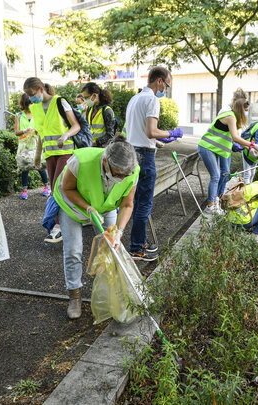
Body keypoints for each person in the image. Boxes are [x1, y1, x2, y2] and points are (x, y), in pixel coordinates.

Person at [53, 136, 139, 319]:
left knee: (111, 249)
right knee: (74, 251)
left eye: (126, 175)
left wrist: (119, 232)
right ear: (105, 162)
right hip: (73, 207)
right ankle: (74, 295)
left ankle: (110, 295)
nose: (122, 178)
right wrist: (87, 208)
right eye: (118, 174)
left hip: (104, 207)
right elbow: (66, 188)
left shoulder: (133, 171)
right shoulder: (81, 161)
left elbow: (127, 205)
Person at [125, 66, 183, 261]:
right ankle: (137, 248)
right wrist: (171, 133)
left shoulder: (135, 98)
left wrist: (157, 141)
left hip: (132, 153)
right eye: (166, 85)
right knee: (144, 203)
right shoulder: (152, 100)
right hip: (145, 156)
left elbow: (136, 130)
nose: (165, 89)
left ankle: (137, 242)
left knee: (132, 201)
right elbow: (151, 130)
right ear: (159, 81)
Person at [23, 77, 80, 243]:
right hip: (50, 155)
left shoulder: (60, 102)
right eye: (28, 95)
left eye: (32, 94)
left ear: (41, 89)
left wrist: (66, 134)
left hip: (66, 151)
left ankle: (58, 227)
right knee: (61, 188)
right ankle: (69, 219)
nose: (31, 98)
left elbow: (76, 125)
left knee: (57, 188)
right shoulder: (35, 108)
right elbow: (42, 133)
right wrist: (37, 155)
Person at [198, 98, 258, 215]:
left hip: (214, 149)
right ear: (240, 109)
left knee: (221, 174)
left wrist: (249, 148)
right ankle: (210, 205)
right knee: (215, 175)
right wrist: (253, 145)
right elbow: (235, 137)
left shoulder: (234, 118)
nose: (247, 113)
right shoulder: (230, 117)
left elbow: (234, 139)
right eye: (246, 110)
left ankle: (216, 200)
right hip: (206, 147)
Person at [14, 93, 50, 200]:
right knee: (24, 168)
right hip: (24, 146)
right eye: (29, 103)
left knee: (39, 165)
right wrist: (24, 131)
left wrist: (37, 131)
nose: (31, 105)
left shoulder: (37, 113)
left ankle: (46, 186)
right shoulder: (19, 115)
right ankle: (24, 190)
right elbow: (16, 132)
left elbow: (43, 128)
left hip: (36, 145)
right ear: (24, 104)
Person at [81, 82, 117, 147]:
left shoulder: (107, 111)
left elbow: (110, 135)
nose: (85, 101)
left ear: (94, 95)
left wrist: (95, 142)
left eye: (86, 98)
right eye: (84, 98)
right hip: (91, 147)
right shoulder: (90, 109)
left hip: (103, 149)